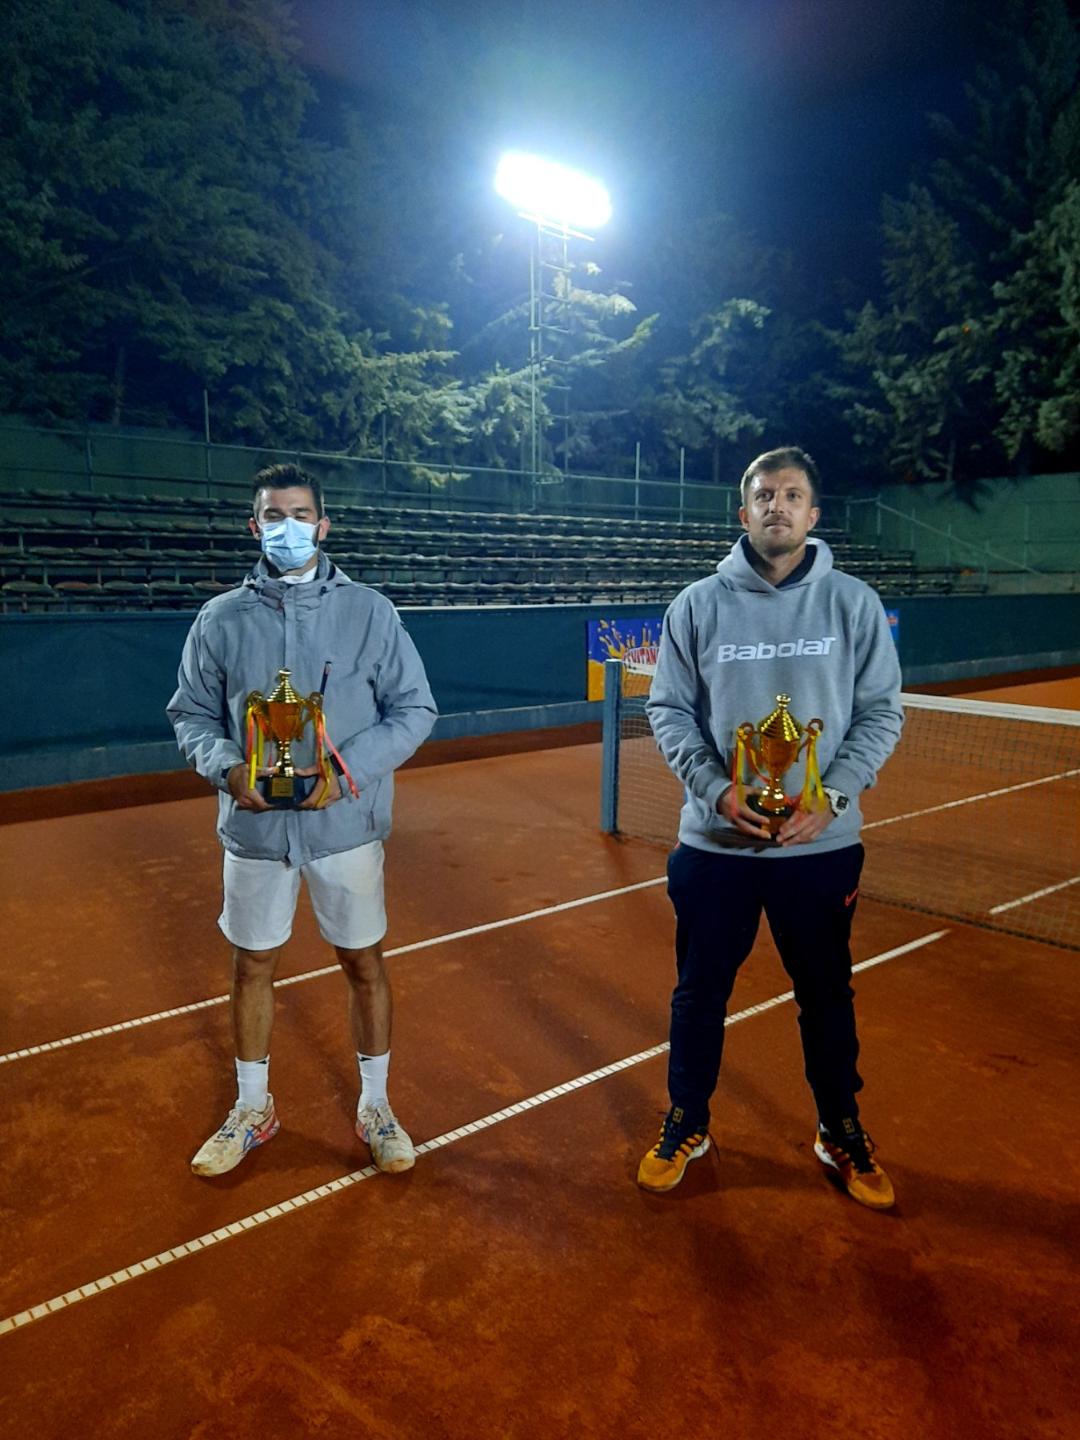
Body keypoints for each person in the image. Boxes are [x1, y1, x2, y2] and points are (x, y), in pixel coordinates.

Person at [637, 446, 903, 1210]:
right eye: (763, 495)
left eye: (791, 495)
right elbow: (668, 709)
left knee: (826, 995)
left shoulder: (853, 604)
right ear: (743, 511)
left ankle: (839, 1126)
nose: (776, 506)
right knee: (699, 994)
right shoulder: (697, 605)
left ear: (812, 514)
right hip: (715, 845)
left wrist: (834, 796)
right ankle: (688, 1120)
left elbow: (881, 713)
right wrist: (716, 790)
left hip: (818, 849)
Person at [168, 463, 437, 1178]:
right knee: (252, 964)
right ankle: (252, 1108)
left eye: (299, 514)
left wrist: (345, 777)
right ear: (254, 526)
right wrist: (229, 769)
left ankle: (376, 1106)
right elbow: (190, 714)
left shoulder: (370, 612)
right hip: (256, 830)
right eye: (272, 515)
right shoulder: (220, 618)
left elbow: (415, 710)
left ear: (322, 525)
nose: (286, 527)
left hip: (343, 827)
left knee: (363, 961)